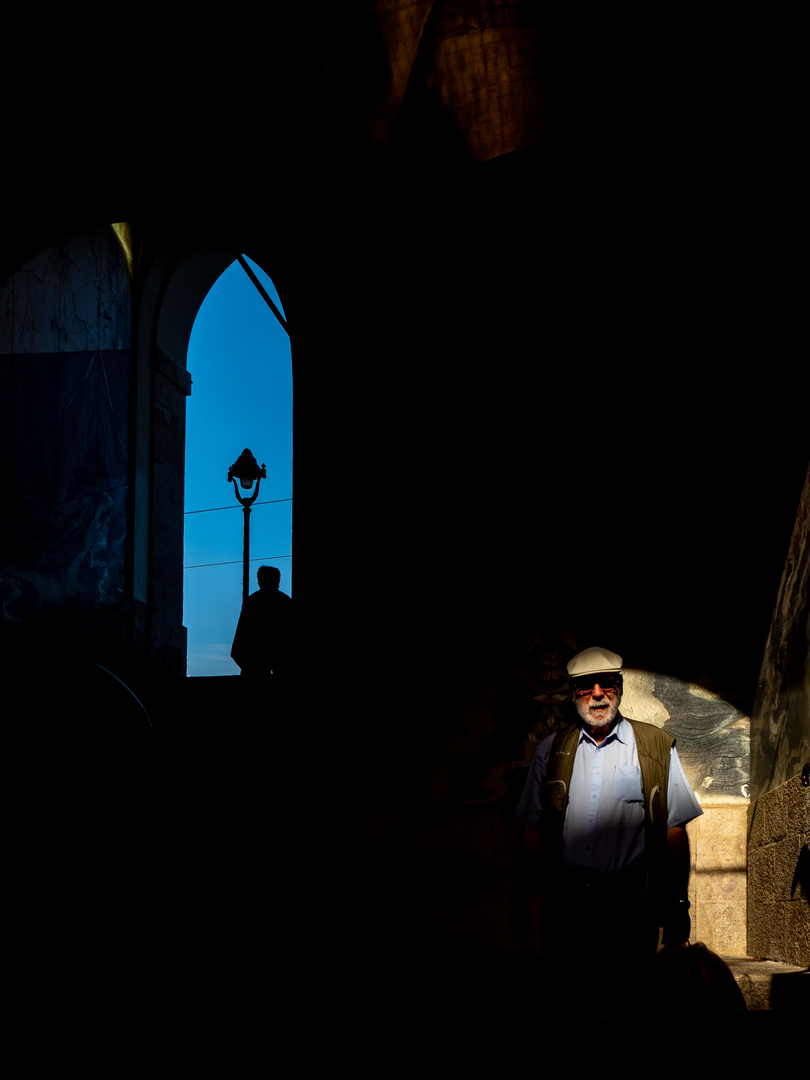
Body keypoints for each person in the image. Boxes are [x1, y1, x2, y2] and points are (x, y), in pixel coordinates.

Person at [511, 645, 703, 1005]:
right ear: (573, 695)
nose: (597, 694)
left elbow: (674, 829)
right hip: (566, 911)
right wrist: (519, 901)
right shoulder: (551, 751)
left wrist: (678, 903)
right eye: (586, 686)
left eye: (606, 685)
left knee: (629, 1004)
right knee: (568, 1001)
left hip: (630, 912)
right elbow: (533, 829)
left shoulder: (655, 746)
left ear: (619, 688)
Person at [230, 566, 293, 679]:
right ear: (278, 580)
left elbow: (239, 640)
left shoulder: (252, 602)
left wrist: (248, 667)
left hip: (255, 666)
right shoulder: (286, 602)